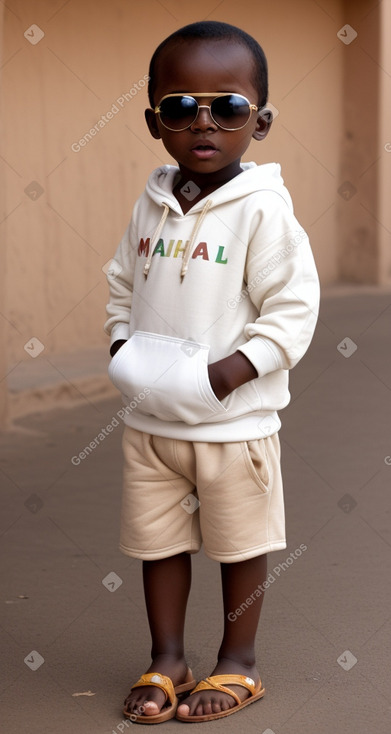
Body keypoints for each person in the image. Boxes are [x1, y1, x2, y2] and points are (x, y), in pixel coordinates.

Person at [104, 20, 320, 724]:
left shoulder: (263, 210)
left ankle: (238, 664)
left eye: (226, 107)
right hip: (150, 419)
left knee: (238, 542)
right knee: (159, 542)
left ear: (257, 122)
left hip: (232, 423)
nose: (203, 122)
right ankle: (166, 659)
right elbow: (119, 282)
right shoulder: (153, 200)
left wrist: (228, 374)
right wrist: (118, 348)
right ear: (153, 121)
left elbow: (292, 309)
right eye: (178, 107)